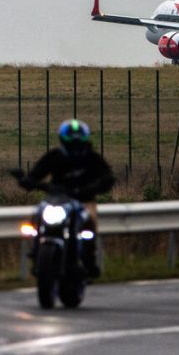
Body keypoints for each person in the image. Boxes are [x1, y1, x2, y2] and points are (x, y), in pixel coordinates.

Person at [19, 119, 114, 278]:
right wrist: (27, 180)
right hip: (58, 199)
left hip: (84, 200)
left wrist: (96, 187)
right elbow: (37, 173)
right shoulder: (55, 156)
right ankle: (35, 249)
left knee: (89, 222)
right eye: (72, 137)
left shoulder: (91, 158)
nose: (75, 141)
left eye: (78, 137)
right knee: (37, 215)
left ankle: (89, 260)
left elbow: (107, 177)